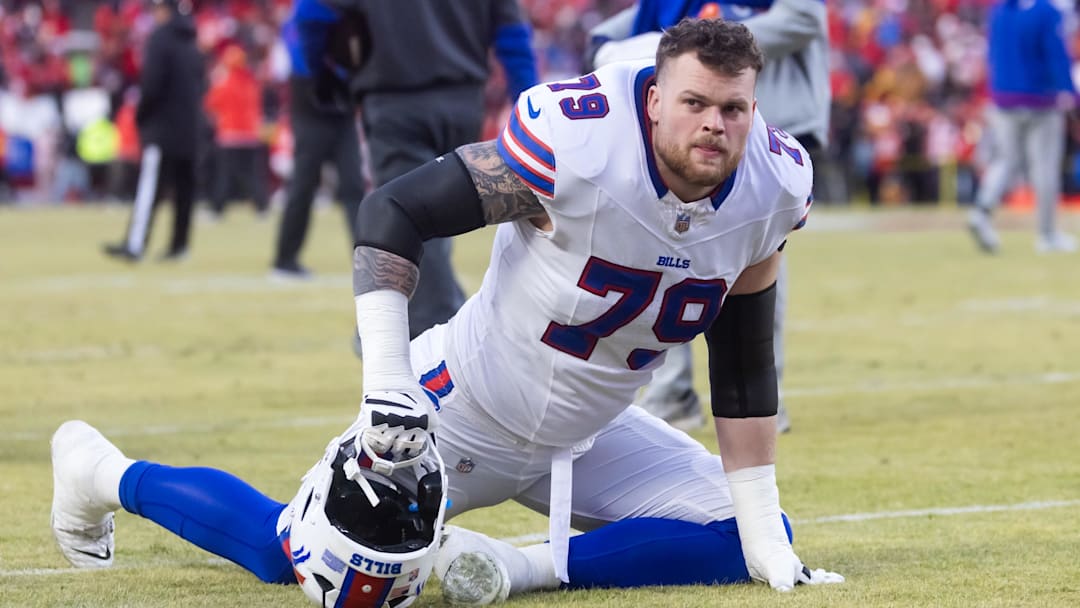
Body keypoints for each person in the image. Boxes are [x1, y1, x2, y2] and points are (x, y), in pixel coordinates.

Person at [51, 19, 843, 607]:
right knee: (307, 567)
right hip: (460, 411)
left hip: (590, 432)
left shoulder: (772, 187)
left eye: (734, 109)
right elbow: (393, 210)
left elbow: (742, 363)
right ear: (655, 98)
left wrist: (764, 524)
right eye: (697, 103)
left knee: (753, 531)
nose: (716, 124)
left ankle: (517, 566)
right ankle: (100, 470)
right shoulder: (581, 143)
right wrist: (389, 385)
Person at [587, 0, 830, 434]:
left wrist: (708, 51)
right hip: (686, 135)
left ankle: (761, 396)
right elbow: (648, 15)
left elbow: (803, 16)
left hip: (764, 126)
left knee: (759, 257)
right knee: (659, 253)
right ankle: (672, 390)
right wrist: (611, 42)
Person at [343, 0, 538, 339]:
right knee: (438, 213)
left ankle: (434, 326)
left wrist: (321, 78)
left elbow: (316, 16)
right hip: (462, 101)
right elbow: (511, 33)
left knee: (408, 212)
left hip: (394, 99)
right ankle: (429, 315)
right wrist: (531, 102)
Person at [967, 0, 1078, 254]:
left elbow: (993, 55)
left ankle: (982, 210)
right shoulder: (1047, 12)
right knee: (1044, 167)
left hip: (1003, 97)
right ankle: (1047, 235)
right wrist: (1070, 92)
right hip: (1041, 99)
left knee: (1005, 161)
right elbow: (1055, 53)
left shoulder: (999, 12)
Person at [271, 0, 371, 279]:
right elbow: (300, 58)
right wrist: (334, 74)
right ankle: (284, 258)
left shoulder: (344, 13)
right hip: (311, 102)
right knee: (304, 184)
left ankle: (369, 258)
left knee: (353, 186)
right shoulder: (300, 17)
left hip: (339, 108)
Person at [103, 0, 206, 263]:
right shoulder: (192, 39)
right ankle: (179, 245)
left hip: (163, 128)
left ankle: (136, 244)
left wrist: (142, 117)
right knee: (184, 190)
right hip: (191, 127)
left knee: (150, 187)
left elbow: (152, 84)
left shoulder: (160, 38)